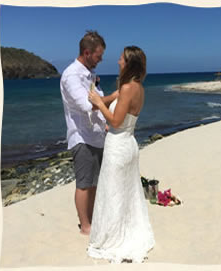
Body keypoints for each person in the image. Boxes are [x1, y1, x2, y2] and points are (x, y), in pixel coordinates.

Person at [87, 46, 155, 263]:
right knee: (125, 192)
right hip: (129, 144)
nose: (117, 61)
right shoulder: (137, 87)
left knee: (114, 192)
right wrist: (97, 100)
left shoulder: (127, 88)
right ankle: (122, 230)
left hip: (118, 146)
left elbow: (115, 121)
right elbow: (110, 101)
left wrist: (98, 103)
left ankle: (113, 238)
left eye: (121, 58)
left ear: (129, 63)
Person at [60, 31, 116, 235]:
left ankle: (91, 220)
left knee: (93, 182)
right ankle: (85, 226)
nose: (100, 59)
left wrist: (106, 124)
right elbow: (87, 105)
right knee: (84, 183)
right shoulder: (71, 75)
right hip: (81, 135)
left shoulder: (89, 75)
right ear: (87, 52)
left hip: (96, 135)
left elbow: (98, 105)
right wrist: (115, 96)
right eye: (98, 55)